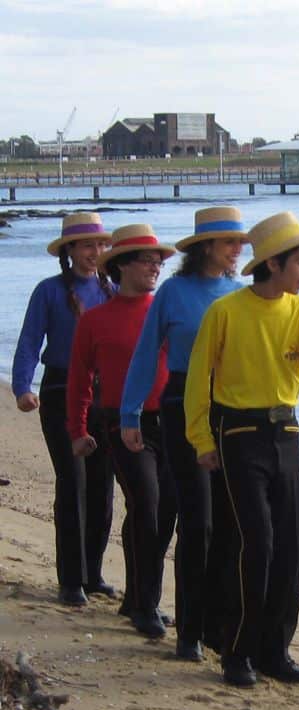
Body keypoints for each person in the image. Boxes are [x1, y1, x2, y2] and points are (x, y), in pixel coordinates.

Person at [184, 211, 299, 688]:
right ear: (273, 263)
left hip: (286, 433)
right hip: (238, 434)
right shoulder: (226, 312)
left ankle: (275, 651)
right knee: (256, 543)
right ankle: (237, 651)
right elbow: (197, 380)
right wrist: (201, 440)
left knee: (289, 548)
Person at [121, 206, 246, 662]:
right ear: (206, 246)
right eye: (230, 242)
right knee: (198, 521)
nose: (237, 250)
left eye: (241, 243)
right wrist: (130, 413)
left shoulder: (240, 293)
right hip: (179, 407)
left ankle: (217, 626)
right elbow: (145, 353)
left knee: (228, 525)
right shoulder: (173, 293)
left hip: (229, 410)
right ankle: (188, 631)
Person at [67, 224, 177, 638]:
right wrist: (77, 430)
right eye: (147, 261)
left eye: (158, 261)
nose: (155, 267)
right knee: (146, 503)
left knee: (162, 513)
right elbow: (79, 380)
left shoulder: (165, 311)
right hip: (122, 423)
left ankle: (138, 597)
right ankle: (145, 606)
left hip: (173, 421)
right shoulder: (95, 320)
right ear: (122, 266)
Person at [12, 213, 115, 605]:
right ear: (69, 250)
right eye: (88, 245)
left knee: (102, 486)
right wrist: (23, 388)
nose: (95, 252)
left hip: (104, 395)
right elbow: (29, 341)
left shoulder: (112, 290)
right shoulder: (48, 291)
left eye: (101, 245)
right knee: (73, 482)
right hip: (59, 390)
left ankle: (93, 573)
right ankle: (71, 579)